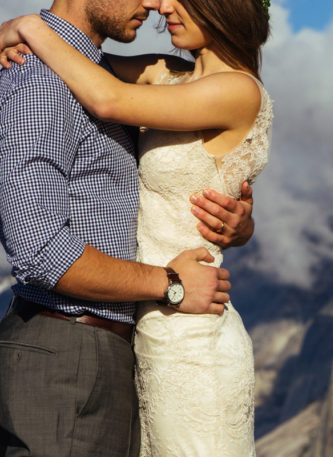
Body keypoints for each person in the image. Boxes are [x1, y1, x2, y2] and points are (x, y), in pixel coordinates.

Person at [0, 0, 266, 455]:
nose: (160, 4)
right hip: (129, 327)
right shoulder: (158, 72)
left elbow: (106, 98)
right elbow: (83, 60)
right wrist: (20, 32)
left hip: (185, 334)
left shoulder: (236, 89)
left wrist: (28, 26)